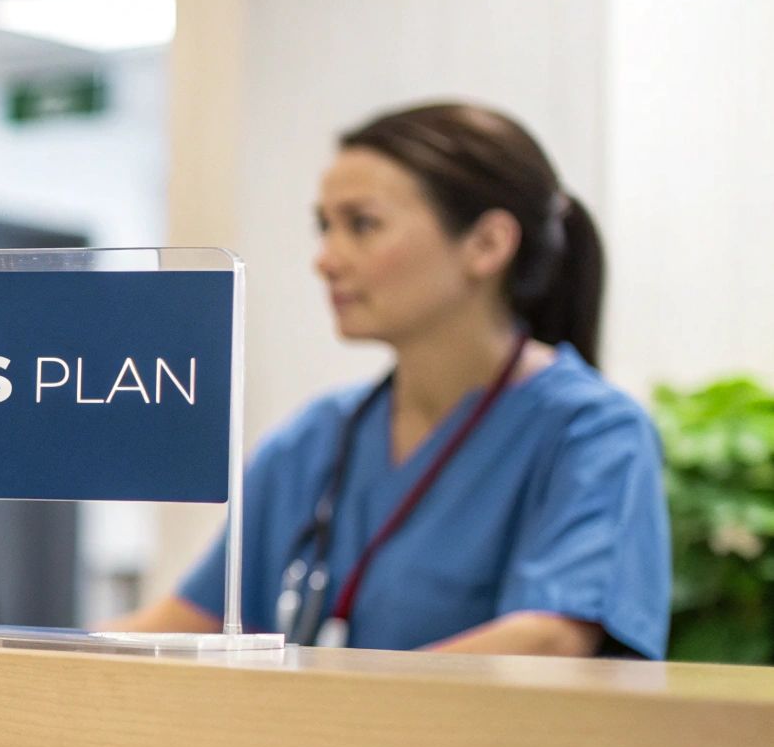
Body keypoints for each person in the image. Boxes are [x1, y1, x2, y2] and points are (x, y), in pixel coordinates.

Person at [107, 102, 670, 658]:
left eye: (362, 224)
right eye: (324, 227)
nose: (325, 260)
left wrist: (325, 709)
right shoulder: (314, 440)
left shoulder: (592, 433)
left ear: (487, 244)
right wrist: (40, 657)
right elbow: (186, 622)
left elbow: (548, 641)